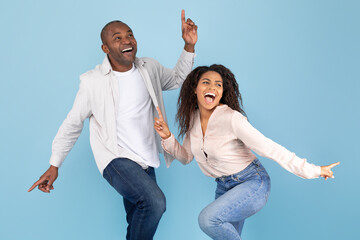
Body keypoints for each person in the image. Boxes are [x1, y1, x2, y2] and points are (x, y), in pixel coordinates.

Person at [28, 10, 198, 240]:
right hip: (115, 158)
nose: (126, 40)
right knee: (155, 203)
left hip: (146, 160)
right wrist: (54, 164)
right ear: (105, 48)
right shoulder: (92, 81)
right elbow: (73, 123)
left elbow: (178, 78)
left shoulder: (149, 67)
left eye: (129, 35)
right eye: (117, 38)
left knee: (138, 219)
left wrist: (188, 47)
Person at [154, 64, 340, 240]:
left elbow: (270, 148)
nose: (212, 87)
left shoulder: (232, 119)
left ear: (221, 93)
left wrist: (314, 170)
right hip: (224, 186)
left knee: (208, 220)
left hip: (252, 182)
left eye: (218, 84)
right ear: (195, 89)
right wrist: (167, 136)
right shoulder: (193, 121)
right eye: (206, 82)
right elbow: (186, 157)